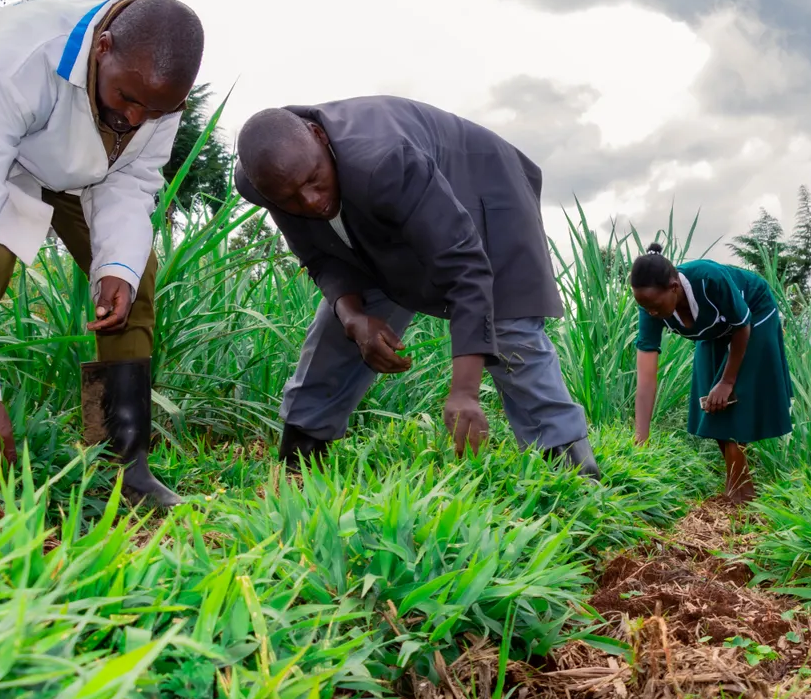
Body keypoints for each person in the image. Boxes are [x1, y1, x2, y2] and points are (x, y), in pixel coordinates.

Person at [0, 0, 205, 508]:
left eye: (154, 110)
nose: (134, 118)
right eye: (127, 98)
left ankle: (123, 466)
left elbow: (131, 180)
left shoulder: (155, 93)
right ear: (102, 48)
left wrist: (116, 267)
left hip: (71, 157)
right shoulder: (21, 60)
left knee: (134, 278)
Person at [233, 97, 600, 478]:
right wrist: (355, 317)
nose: (310, 202)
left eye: (313, 180)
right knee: (346, 323)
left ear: (319, 136)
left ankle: (569, 464)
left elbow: (466, 270)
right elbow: (322, 257)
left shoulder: (383, 158)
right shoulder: (270, 180)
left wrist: (464, 392)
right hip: (382, 213)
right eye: (289, 197)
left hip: (482, 189)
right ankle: (302, 449)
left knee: (509, 327)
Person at [630, 245, 793, 503]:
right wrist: (641, 438)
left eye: (654, 306)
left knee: (731, 397)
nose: (651, 312)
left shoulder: (709, 280)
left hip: (753, 314)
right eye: (644, 306)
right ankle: (737, 485)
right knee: (711, 400)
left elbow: (741, 326)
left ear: (674, 287)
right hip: (715, 329)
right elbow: (646, 378)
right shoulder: (651, 306)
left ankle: (741, 491)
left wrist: (727, 381)